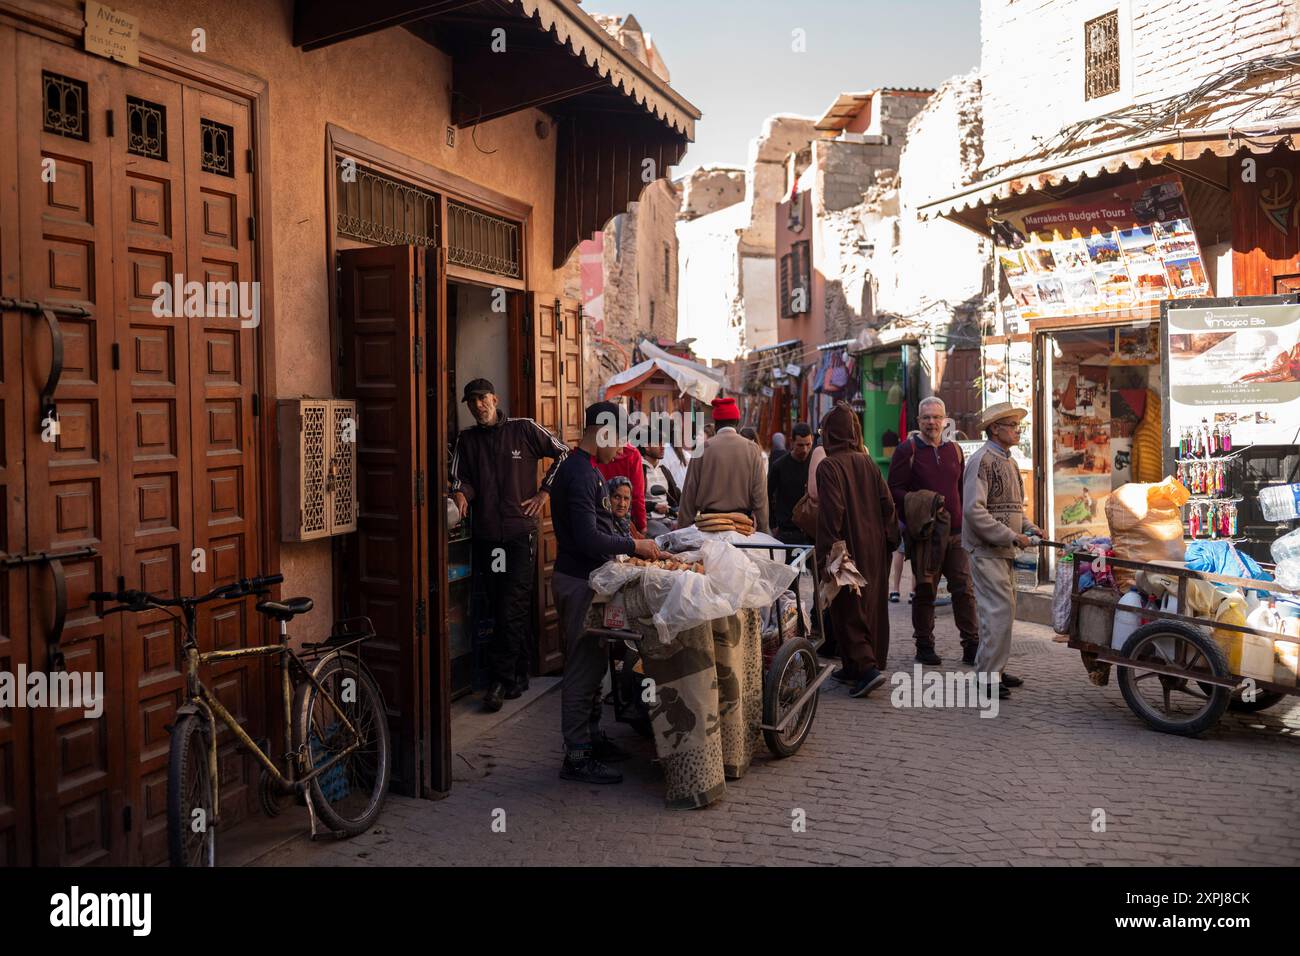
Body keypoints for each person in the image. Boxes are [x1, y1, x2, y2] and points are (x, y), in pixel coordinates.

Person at [550, 401, 663, 783]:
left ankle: (593, 738)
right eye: (617, 439)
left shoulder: (588, 469)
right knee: (582, 671)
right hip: (579, 581)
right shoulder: (580, 474)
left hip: (589, 580)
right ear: (601, 431)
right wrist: (635, 547)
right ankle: (577, 757)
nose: (621, 450)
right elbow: (586, 537)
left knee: (595, 665)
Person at [451, 378, 569, 713]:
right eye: (471, 400)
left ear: (495, 398)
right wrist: (460, 493)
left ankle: (499, 682)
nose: (478, 405)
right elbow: (462, 479)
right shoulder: (467, 439)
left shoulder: (524, 429)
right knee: (500, 604)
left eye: (482, 398)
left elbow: (562, 453)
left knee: (511, 605)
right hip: (489, 537)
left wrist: (545, 491)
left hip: (520, 534)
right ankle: (518, 675)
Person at [815, 402, 899, 698]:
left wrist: (827, 553)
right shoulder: (868, 462)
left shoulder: (829, 466)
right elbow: (887, 504)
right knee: (869, 603)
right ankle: (854, 666)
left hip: (844, 548)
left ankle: (866, 669)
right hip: (874, 546)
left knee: (848, 607)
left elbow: (831, 513)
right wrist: (890, 541)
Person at [889, 396, 980, 667]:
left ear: (945, 420)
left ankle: (971, 646)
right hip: (926, 535)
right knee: (926, 591)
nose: (932, 422)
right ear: (919, 421)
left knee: (963, 589)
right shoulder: (908, 450)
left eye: (936, 417)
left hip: (955, 534)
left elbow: (962, 490)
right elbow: (894, 490)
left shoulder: (955, 451)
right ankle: (924, 645)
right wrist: (921, 507)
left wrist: (967, 521)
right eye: (926, 417)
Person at [963, 402, 1042, 700]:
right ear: (995, 429)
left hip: (1002, 548)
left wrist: (1030, 528)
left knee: (1004, 612)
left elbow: (1013, 508)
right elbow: (974, 511)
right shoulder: (982, 460)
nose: (1017, 430)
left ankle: (995, 667)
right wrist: (1012, 536)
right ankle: (987, 677)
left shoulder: (1007, 461)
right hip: (986, 549)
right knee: (996, 612)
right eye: (1012, 425)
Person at [677, 396, 769, 533]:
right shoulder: (752, 449)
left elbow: (689, 496)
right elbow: (760, 496)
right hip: (741, 528)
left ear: (715, 423)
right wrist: (763, 529)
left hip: (709, 528)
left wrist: (682, 530)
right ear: (737, 422)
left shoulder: (702, 449)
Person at [767, 423, 814, 544]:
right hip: (787, 531)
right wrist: (773, 524)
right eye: (800, 445)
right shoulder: (779, 466)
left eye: (808, 444)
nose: (805, 450)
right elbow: (767, 494)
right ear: (791, 442)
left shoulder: (815, 462)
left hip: (811, 531)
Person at [597, 442, 646, 534]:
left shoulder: (595, 452)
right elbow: (637, 495)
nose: (620, 452)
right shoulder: (633, 454)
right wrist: (642, 526)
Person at [642, 445, 679, 538]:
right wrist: (654, 506)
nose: (663, 447)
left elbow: (677, 495)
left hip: (669, 517)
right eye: (658, 443)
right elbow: (634, 501)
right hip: (649, 519)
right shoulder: (639, 468)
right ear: (647, 446)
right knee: (670, 539)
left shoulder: (664, 469)